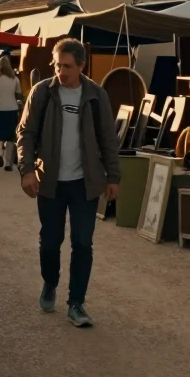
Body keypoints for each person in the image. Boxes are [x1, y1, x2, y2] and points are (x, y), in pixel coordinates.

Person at [17, 39, 121, 328]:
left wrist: (113, 177)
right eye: (57, 65)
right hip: (49, 180)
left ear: (81, 66)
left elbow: (108, 140)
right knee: (50, 242)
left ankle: (77, 303)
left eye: (67, 66)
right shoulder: (42, 93)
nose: (60, 71)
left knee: (83, 243)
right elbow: (25, 132)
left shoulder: (96, 96)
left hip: (84, 183)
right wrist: (26, 170)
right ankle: (50, 282)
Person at [0, 55, 23, 171]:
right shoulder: (14, 78)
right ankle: (8, 163)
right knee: (11, 136)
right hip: (11, 109)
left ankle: (0, 155)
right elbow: (19, 94)